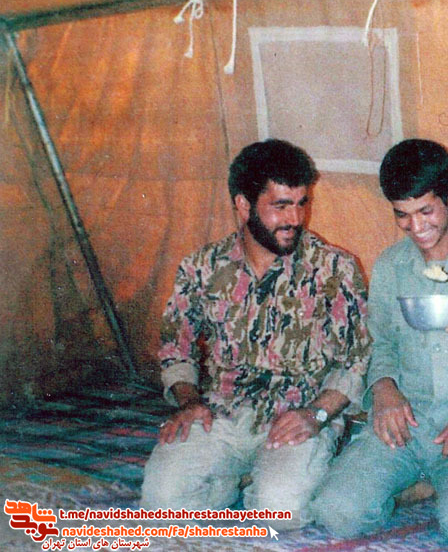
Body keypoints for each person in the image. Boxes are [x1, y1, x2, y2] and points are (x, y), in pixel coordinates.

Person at [311, 139, 448, 551]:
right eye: (402, 215)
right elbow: (381, 342)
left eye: (426, 211)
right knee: (335, 512)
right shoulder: (391, 265)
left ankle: (442, 483)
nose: (416, 228)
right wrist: (384, 389)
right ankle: (420, 484)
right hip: (405, 425)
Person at [140, 139, 371, 530]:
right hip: (223, 413)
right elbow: (176, 348)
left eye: (302, 203)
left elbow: (356, 359)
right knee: (161, 506)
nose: (295, 218)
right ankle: (237, 479)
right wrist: (189, 402)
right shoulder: (202, 267)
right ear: (244, 205)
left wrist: (316, 415)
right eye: (281, 205)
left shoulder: (333, 269)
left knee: (279, 514)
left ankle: (292, 471)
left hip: (299, 413)